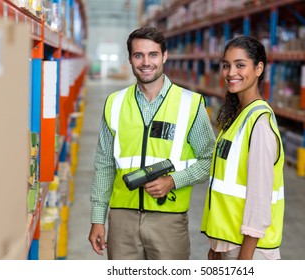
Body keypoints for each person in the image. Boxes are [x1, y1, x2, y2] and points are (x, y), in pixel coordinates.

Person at [88, 26, 216, 260]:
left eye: (153, 54)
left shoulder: (190, 104)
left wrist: (173, 181)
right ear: (130, 59)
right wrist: (98, 218)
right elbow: (104, 164)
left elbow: (210, 160)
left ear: (164, 56)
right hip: (121, 220)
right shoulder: (114, 103)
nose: (146, 62)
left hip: (168, 218)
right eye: (139, 55)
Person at [200, 36, 285, 260]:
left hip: (249, 250)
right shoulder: (239, 115)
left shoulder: (259, 122)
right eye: (226, 65)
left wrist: (244, 259)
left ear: (258, 69)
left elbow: (260, 198)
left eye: (240, 65)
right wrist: (216, 246)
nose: (230, 72)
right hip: (229, 243)